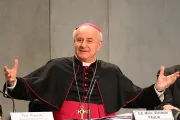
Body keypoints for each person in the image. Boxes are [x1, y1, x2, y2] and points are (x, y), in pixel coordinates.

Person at [3, 23, 180, 120]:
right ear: (74, 42)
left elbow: (135, 97)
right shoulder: (57, 66)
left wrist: (158, 88)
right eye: (79, 40)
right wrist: (13, 82)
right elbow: (30, 89)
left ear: (99, 44)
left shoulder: (111, 71)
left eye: (89, 40)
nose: (83, 45)